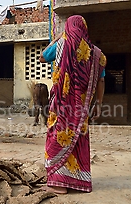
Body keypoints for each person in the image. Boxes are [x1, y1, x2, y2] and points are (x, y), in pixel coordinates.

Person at [39, 15, 106, 194]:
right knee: (77, 142)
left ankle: (58, 183)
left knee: (57, 138)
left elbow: (42, 58)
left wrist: (58, 37)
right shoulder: (97, 54)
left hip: (60, 107)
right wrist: (98, 103)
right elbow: (101, 80)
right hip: (81, 109)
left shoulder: (61, 45)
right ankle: (78, 181)